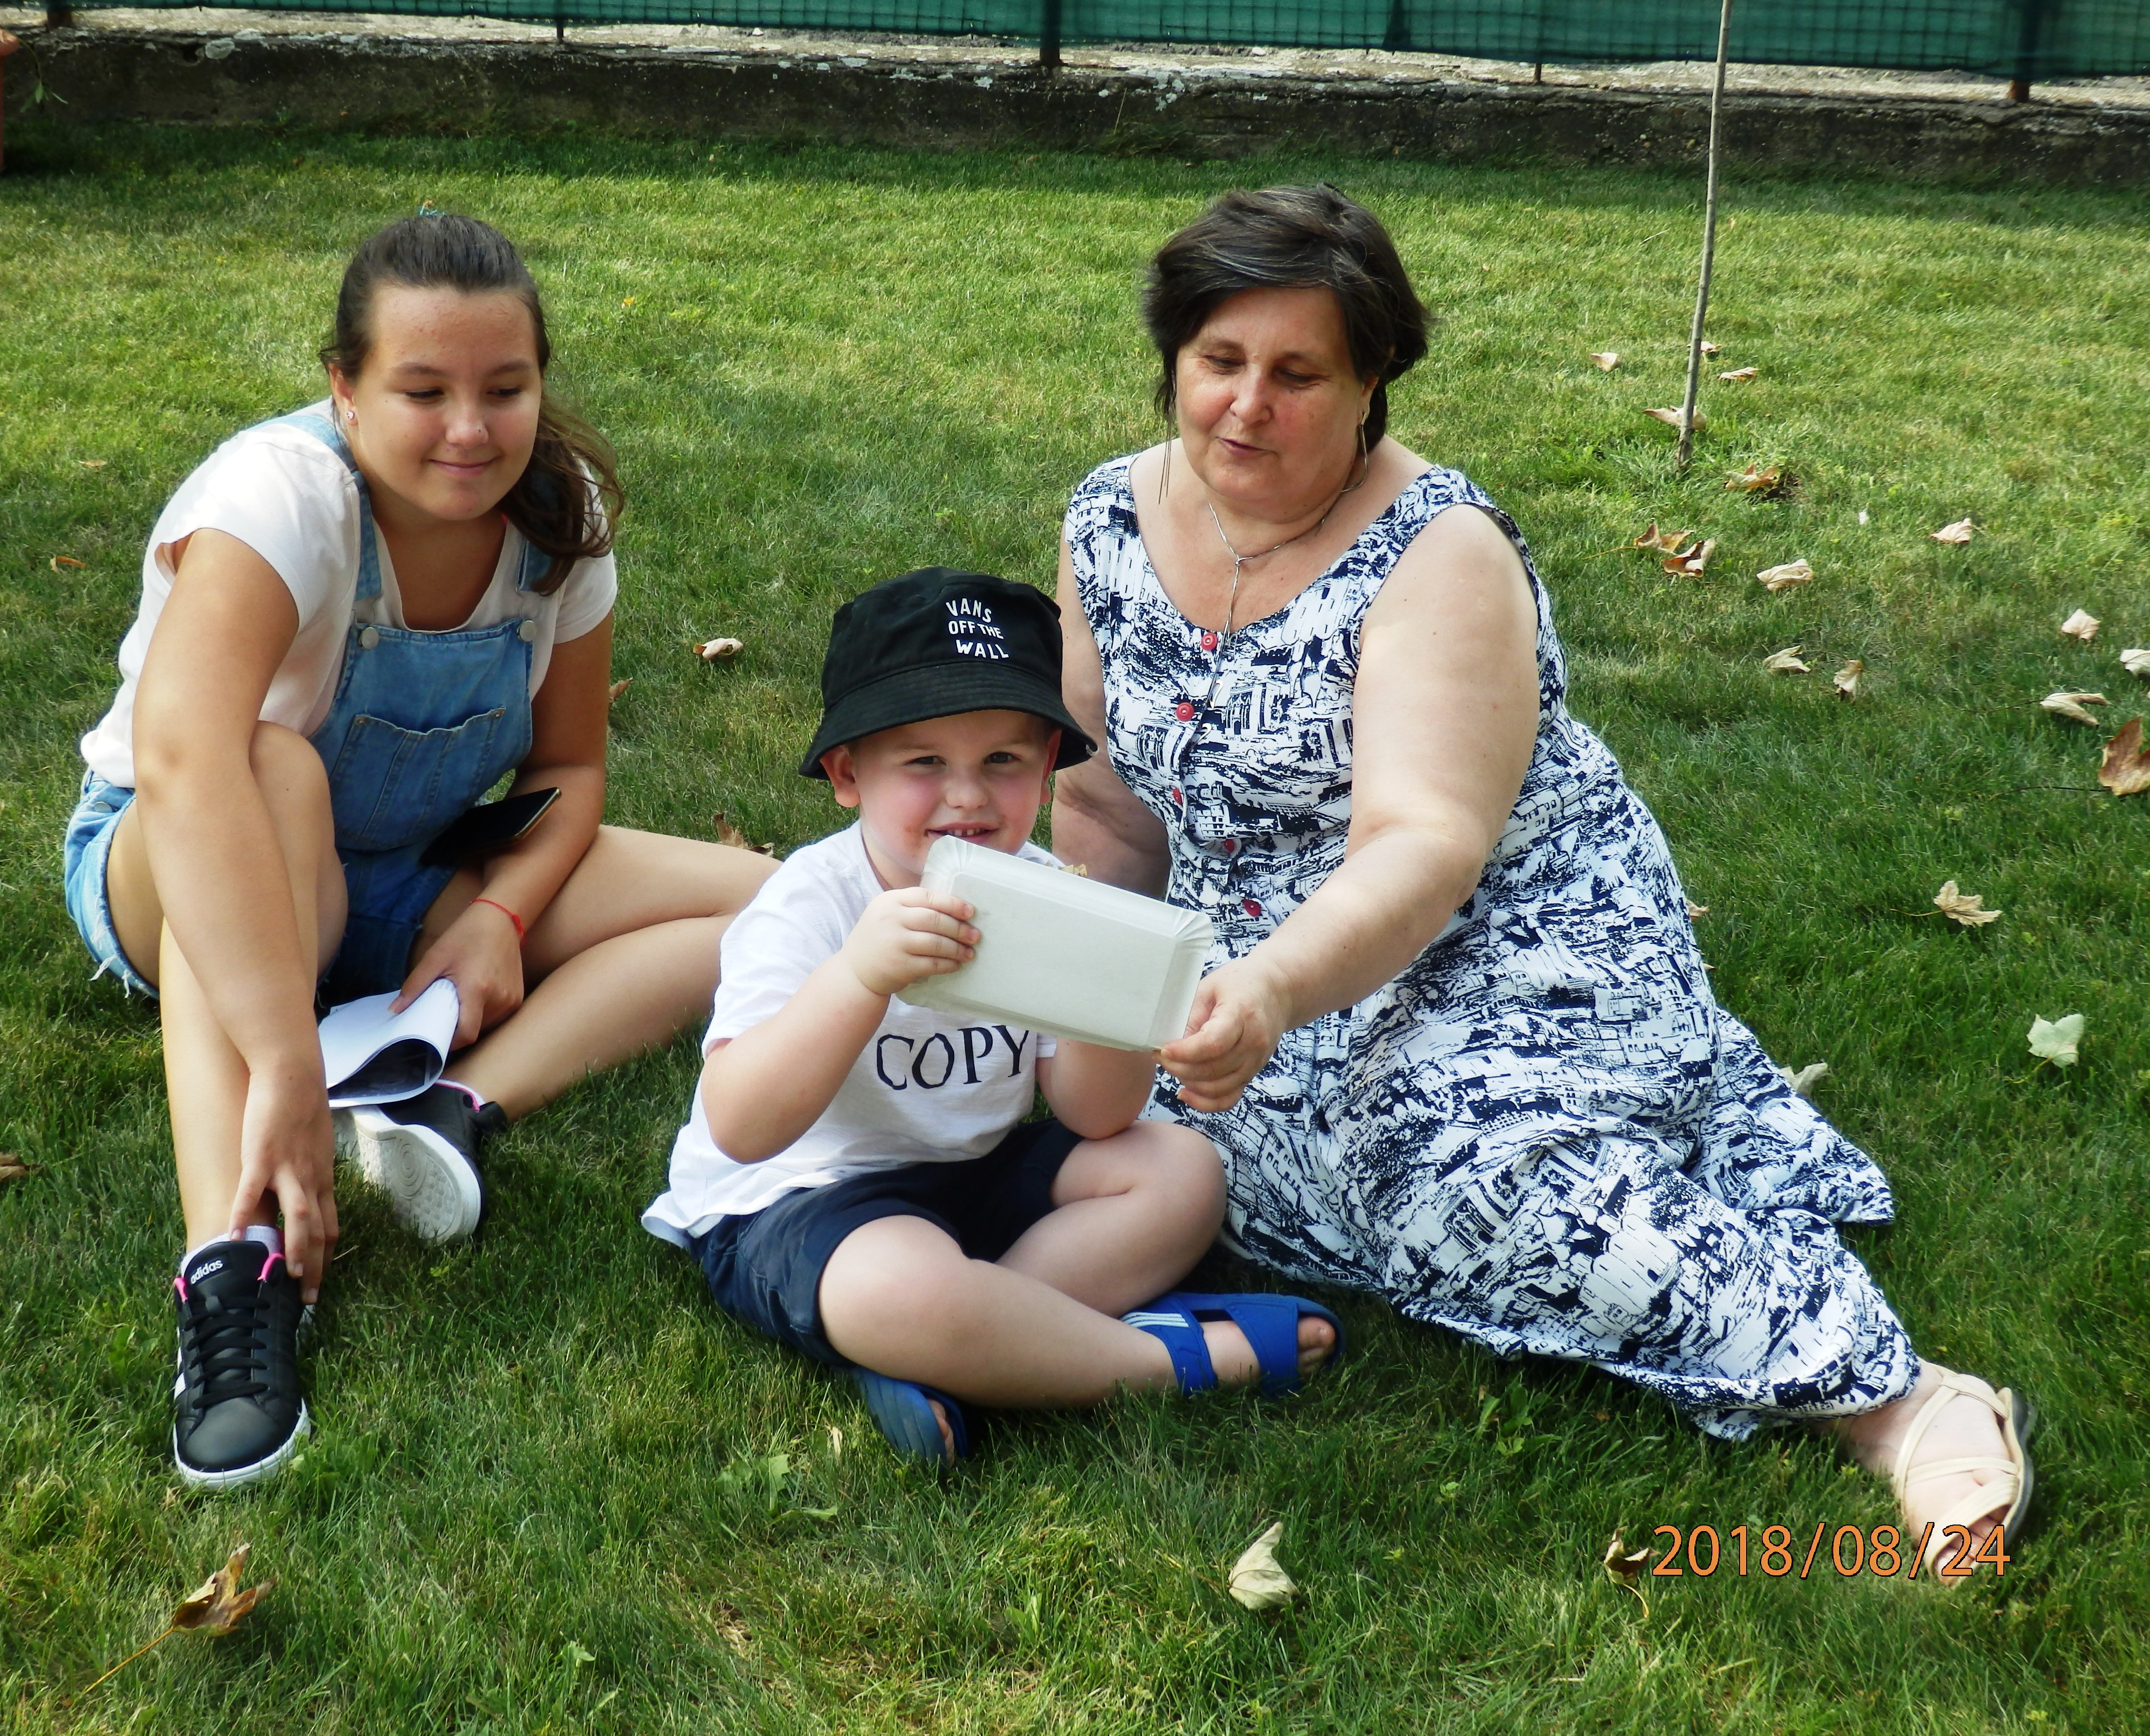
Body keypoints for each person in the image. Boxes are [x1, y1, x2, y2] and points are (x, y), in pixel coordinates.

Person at [1051, 185, 2032, 1580]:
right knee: (1129, 1139)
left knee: (1454, 1179)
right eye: (1220, 361)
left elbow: (1423, 843)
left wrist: (1262, 996)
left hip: (1509, 937)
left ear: (1373, 381)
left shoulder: (1440, 552)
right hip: (1249, 966)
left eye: (1298, 373)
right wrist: (1086, 992)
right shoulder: (1108, 516)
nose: (1246, 407)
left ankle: (1892, 1394)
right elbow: (1101, 802)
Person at [63, 212, 777, 1487]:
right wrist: (285, 1059)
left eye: (505, 389)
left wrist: (500, 916)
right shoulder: (278, 498)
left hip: (398, 873)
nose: (470, 430)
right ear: (343, 388)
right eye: (423, 390)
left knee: (768, 907)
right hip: (177, 868)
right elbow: (184, 765)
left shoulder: (559, 516)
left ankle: (448, 1108)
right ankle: (234, 1271)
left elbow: (566, 772)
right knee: (271, 763)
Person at [641, 568, 1340, 1463]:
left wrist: (1104, 1002)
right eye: (924, 763)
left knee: (1183, 1172)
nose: (968, 796)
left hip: (972, 1176)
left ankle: (972, 1346)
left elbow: (1097, 1117)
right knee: (896, 1289)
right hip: (802, 1198)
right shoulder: (809, 904)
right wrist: (858, 977)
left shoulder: (1041, 896)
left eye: (1002, 761)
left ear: (1045, 769)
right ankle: (1161, 1362)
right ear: (849, 774)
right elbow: (743, 1128)